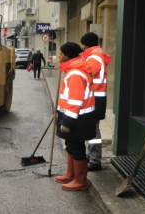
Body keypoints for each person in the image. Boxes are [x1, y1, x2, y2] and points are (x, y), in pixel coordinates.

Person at [55, 42, 97, 191]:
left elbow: (75, 101)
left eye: (61, 53)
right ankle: (70, 174)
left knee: (77, 146)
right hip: (75, 116)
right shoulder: (73, 69)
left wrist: (67, 122)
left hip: (77, 118)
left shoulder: (76, 73)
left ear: (67, 55)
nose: (59, 56)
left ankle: (80, 180)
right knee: (70, 145)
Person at [80, 32, 111, 171]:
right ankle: (91, 156)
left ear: (87, 45)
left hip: (94, 98)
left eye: (83, 44)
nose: (81, 47)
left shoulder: (94, 58)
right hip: (97, 97)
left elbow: (84, 74)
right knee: (92, 129)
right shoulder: (97, 56)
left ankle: (95, 160)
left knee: (93, 130)